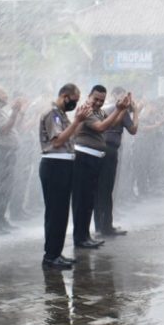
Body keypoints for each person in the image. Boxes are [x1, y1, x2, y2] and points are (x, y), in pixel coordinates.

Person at [71, 85, 132, 250]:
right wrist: (119, 109)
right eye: (95, 99)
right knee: (82, 201)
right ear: (89, 97)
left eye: (101, 100)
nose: (98, 102)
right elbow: (101, 127)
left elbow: (112, 123)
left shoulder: (98, 112)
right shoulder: (86, 110)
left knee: (89, 200)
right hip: (83, 157)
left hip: (94, 158)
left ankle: (85, 236)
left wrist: (122, 109)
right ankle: (80, 237)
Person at [40, 83, 92, 269]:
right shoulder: (52, 113)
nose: (74, 103)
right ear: (64, 96)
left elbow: (71, 135)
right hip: (55, 165)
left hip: (64, 164)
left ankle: (56, 253)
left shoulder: (61, 114)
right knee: (55, 213)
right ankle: (50, 256)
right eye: (73, 100)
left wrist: (81, 119)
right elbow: (58, 141)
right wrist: (77, 121)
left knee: (61, 213)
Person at [97, 87, 140, 237]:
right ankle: (106, 227)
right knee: (107, 189)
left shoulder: (103, 108)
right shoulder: (122, 112)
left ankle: (99, 226)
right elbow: (133, 130)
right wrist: (136, 112)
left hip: (97, 150)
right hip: (110, 151)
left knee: (99, 189)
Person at [0, 87, 25, 235]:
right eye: (2, 94)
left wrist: (19, 112)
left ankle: (1, 219)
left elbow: (14, 127)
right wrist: (14, 111)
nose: (6, 96)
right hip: (0, 153)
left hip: (7, 153)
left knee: (6, 188)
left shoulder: (1, 111)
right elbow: (4, 129)